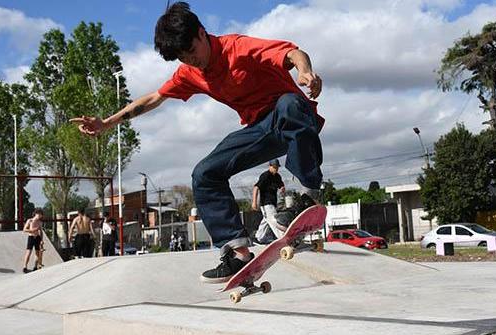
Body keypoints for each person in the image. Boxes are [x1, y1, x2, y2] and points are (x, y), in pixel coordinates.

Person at [70, 2, 323, 283]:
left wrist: (305, 71)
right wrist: (107, 123)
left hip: (293, 118)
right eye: (183, 58)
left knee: (290, 104)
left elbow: (292, 52)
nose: (191, 62)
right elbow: (154, 97)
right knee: (205, 173)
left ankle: (308, 197)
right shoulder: (190, 73)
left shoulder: (236, 47)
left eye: (192, 52)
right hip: (259, 131)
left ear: (202, 34)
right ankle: (238, 253)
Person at [253, 159, 285, 244]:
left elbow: (281, 185)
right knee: (274, 219)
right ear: (270, 166)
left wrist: (282, 188)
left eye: (277, 167)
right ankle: (282, 238)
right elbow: (256, 188)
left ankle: (258, 237)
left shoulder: (277, 176)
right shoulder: (265, 176)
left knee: (266, 220)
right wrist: (254, 202)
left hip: (273, 202)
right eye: (274, 167)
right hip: (265, 203)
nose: (276, 169)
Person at [22, 209, 44, 273]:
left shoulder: (40, 222)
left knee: (37, 252)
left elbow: (41, 232)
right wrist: (32, 230)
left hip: (37, 237)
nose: (40, 216)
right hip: (31, 237)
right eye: (39, 214)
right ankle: (25, 266)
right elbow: (24, 229)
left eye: (41, 215)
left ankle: (35, 266)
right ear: (36, 214)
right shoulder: (30, 220)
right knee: (28, 252)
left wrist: (41, 240)